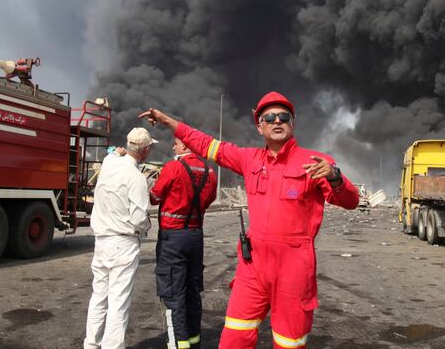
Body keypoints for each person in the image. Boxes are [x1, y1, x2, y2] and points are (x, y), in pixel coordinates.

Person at [139, 91, 360, 349]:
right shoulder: (248, 159)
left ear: (292, 123)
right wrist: (167, 121)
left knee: (289, 343)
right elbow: (205, 144)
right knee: (233, 339)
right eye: (269, 118)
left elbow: (351, 201)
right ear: (260, 127)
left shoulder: (315, 163)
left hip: (293, 269)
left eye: (283, 116)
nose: (277, 121)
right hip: (253, 267)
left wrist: (335, 177)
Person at [84, 127, 157, 349]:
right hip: (123, 243)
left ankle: (91, 344)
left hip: (101, 241)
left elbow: (113, 153)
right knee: (119, 301)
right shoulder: (136, 178)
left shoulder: (108, 164)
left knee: (99, 296)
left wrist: (118, 152)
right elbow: (138, 218)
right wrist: (147, 225)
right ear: (144, 151)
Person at [150, 138, 218, 349]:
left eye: (176, 144)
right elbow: (209, 199)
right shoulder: (211, 172)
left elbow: (155, 197)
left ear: (186, 146)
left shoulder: (174, 167)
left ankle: (178, 345)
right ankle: (193, 342)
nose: (173, 147)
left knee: (173, 294)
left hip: (173, 237)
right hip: (196, 235)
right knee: (192, 291)